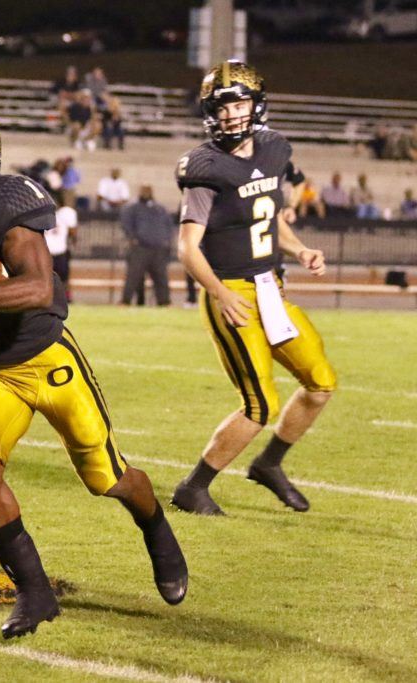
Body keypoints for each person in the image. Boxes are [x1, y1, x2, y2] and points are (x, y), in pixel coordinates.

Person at [0, 98, 187, 640]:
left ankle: (157, 531)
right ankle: (35, 591)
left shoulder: (6, 201)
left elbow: (38, 287)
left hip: (47, 357)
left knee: (108, 478)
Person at [172, 60, 336, 517]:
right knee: (259, 404)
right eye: (221, 107)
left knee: (320, 383)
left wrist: (300, 250)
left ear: (256, 104)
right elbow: (187, 247)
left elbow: (268, 218)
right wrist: (221, 295)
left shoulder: (274, 148)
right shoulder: (205, 167)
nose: (230, 115)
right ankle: (193, 488)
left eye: (238, 102)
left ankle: (269, 464)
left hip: (271, 290)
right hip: (233, 292)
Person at [120, 185, 174, 307]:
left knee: (161, 277)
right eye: (144, 190)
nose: (146, 192)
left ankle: (164, 302)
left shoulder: (160, 208)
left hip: (158, 249)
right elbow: (126, 223)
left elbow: (168, 225)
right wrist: (133, 238)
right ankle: (125, 301)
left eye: (148, 190)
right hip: (140, 248)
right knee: (133, 277)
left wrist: (166, 240)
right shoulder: (132, 208)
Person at [44, 203, 77, 302]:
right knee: (61, 278)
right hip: (53, 251)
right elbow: (73, 232)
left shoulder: (43, 212)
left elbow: (72, 231)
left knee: (62, 278)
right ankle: (64, 298)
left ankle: (64, 297)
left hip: (53, 251)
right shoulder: (66, 213)